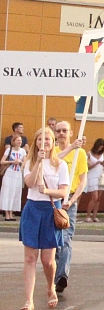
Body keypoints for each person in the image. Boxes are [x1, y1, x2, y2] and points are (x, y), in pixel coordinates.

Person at [19, 127, 69, 310]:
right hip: (32, 209)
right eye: (40, 139)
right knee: (30, 258)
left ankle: (50, 287)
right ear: (36, 142)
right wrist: (38, 162)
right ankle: (29, 300)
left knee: (47, 260)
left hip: (50, 210)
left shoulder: (60, 164)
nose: (44, 142)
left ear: (53, 142)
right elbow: (29, 183)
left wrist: (47, 191)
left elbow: (64, 192)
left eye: (48, 139)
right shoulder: (30, 162)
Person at [53, 121, 88, 295]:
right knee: (54, 241)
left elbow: (83, 181)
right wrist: (71, 147)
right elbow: (52, 163)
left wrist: (73, 200)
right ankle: (55, 274)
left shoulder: (79, 154)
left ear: (70, 132)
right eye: (58, 131)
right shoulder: (53, 151)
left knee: (66, 239)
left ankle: (61, 277)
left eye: (64, 130)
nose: (61, 133)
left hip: (69, 202)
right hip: (53, 201)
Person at [1, 133, 26, 220]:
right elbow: (2, 161)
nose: (19, 142)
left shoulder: (23, 151)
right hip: (9, 173)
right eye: (18, 140)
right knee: (7, 192)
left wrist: (20, 163)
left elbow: (25, 163)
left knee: (15, 193)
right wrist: (12, 162)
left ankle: (11, 214)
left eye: (20, 140)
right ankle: (7, 214)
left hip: (17, 174)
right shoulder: (9, 150)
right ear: (13, 141)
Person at [84, 138, 104, 223]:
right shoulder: (89, 154)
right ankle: (88, 216)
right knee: (94, 197)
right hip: (92, 176)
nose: (100, 149)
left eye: (102, 147)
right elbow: (87, 167)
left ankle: (94, 216)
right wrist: (97, 163)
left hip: (100, 176)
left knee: (98, 199)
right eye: (99, 147)